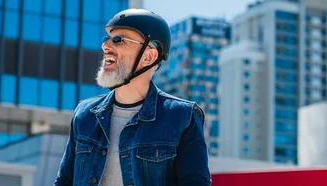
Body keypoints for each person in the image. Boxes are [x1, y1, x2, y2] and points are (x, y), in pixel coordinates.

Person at [54, 9, 212, 186]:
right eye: (106, 39)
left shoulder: (183, 117)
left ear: (149, 56)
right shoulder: (84, 115)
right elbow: (64, 182)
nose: (105, 46)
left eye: (118, 40)